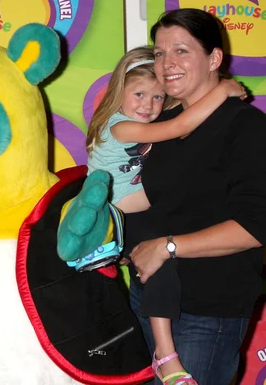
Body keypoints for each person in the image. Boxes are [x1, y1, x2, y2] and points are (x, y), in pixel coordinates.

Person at [87, 45, 245, 384]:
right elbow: (180, 127)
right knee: (160, 267)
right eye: (139, 94)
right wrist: (223, 90)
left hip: (137, 213)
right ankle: (166, 354)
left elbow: (183, 121)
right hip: (122, 215)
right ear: (119, 93)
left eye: (158, 98)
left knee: (160, 266)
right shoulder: (119, 127)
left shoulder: (144, 118)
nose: (148, 105)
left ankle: (162, 351)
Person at [125, 8, 266, 385]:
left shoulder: (247, 128)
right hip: (148, 301)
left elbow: (256, 227)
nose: (166, 63)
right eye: (159, 52)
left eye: (181, 51)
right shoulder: (162, 127)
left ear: (214, 58)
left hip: (206, 312)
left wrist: (167, 247)